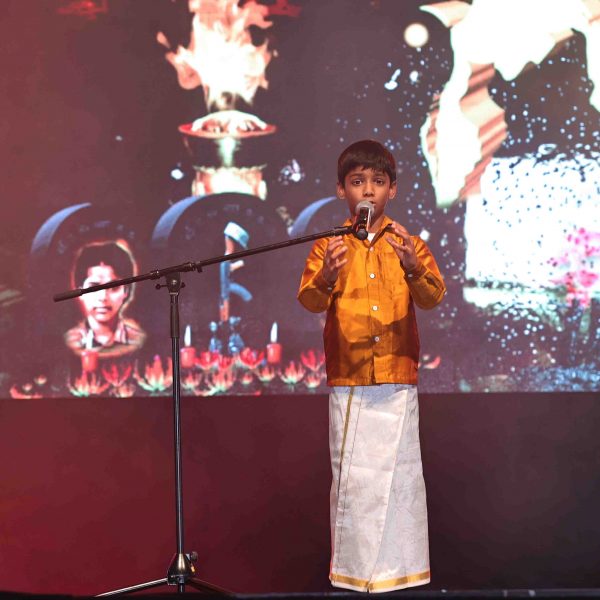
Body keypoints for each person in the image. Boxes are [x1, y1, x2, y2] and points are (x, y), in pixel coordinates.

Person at [297, 140, 446, 593]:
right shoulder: (329, 245)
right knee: (355, 486)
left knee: (401, 480)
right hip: (352, 380)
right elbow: (309, 300)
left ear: (392, 190)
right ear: (341, 189)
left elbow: (433, 297)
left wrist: (413, 267)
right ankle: (355, 579)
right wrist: (326, 276)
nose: (368, 191)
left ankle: (401, 577)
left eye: (378, 182)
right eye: (358, 181)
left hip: (397, 379)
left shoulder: (409, 244)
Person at [65, 241, 146, 359]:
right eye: (94, 287)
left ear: (126, 291)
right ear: (79, 291)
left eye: (114, 287)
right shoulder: (69, 342)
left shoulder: (139, 340)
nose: (103, 297)